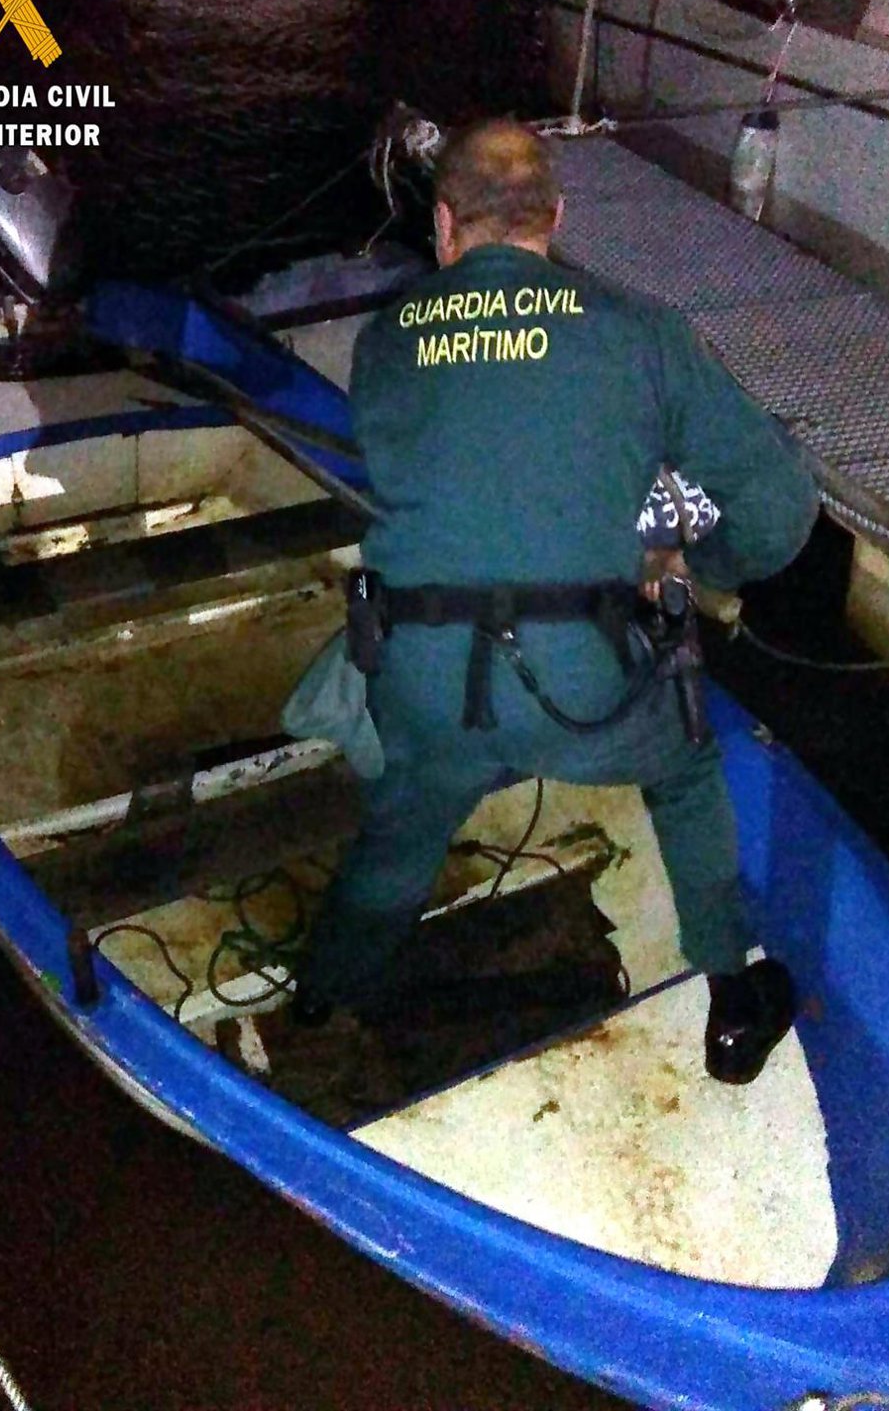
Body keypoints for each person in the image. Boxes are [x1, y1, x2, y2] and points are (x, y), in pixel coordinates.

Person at [291, 118, 820, 1085]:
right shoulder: (641, 332)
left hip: (424, 681)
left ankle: (324, 989)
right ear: (556, 217)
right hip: (588, 687)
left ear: (444, 225)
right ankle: (732, 999)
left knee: (407, 813)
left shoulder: (381, 342)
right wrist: (709, 562)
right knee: (686, 767)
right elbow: (781, 506)